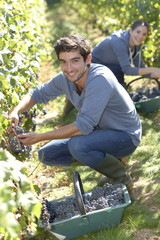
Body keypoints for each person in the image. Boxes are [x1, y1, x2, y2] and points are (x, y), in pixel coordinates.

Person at [8, 33, 142, 190]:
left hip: (125, 136)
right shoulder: (66, 78)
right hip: (100, 131)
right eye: (63, 62)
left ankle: (121, 177)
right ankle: (112, 159)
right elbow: (37, 94)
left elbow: (83, 127)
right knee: (46, 154)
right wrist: (16, 111)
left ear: (88, 59)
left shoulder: (100, 79)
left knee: (78, 146)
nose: (69, 68)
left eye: (75, 60)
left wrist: (40, 137)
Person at [91, 19, 160, 87]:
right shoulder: (119, 42)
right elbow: (127, 70)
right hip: (92, 66)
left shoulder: (137, 45)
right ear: (131, 31)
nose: (140, 36)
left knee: (118, 72)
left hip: (109, 66)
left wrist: (155, 74)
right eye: (138, 32)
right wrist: (152, 69)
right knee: (118, 71)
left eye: (144, 34)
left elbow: (142, 70)